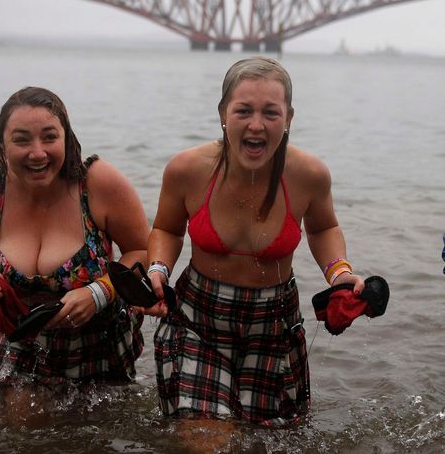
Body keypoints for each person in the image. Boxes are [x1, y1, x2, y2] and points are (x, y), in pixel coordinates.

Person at [145, 57, 365, 427]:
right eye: (243, 110)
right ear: (223, 113)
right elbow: (167, 229)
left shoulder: (309, 174)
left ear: (289, 118)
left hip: (274, 323)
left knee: (272, 438)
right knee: (205, 438)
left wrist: (340, 273)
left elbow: (322, 229)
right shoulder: (187, 169)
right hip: (200, 319)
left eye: (271, 113)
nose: (256, 125)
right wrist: (157, 270)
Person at [0, 86, 149, 400]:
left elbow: (143, 252)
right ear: (1, 144)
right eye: (21, 139)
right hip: (16, 339)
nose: (38, 152)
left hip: (95, 345)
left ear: (67, 138)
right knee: (19, 427)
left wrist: (98, 293)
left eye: (49, 137)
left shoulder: (98, 183)